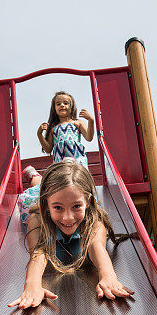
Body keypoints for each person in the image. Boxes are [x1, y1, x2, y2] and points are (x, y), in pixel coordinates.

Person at [8, 160, 133, 309]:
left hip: (56, 197)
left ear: (87, 201)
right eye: (58, 207)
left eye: (76, 206)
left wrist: (108, 276)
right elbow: (38, 253)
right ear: (47, 205)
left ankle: (53, 174)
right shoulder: (37, 217)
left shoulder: (94, 217)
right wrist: (32, 285)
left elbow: (96, 246)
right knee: (38, 187)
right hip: (34, 200)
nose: (68, 217)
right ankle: (34, 176)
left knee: (57, 192)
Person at [18, 91, 95, 226]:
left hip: (76, 159)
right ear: (54, 108)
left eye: (66, 103)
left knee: (77, 180)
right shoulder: (54, 129)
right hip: (60, 161)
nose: (62, 106)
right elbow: (48, 148)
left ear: (72, 106)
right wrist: (39, 135)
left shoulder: (77, 123)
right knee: (61, 182)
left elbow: (89, 137)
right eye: (58, 104)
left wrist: (91, 120)